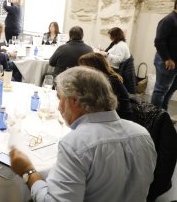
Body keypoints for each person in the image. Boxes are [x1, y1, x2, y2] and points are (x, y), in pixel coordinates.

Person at [10, 66, 157, 202]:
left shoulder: (75, 144)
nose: (58, 106)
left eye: (60, 98)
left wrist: (28, 172)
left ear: (74, 101)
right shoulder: (143, 134)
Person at [78, 52, 132, 119]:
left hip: (119, 118)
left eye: (83, 68)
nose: (80, 71)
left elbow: (99, 106)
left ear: (93, 68)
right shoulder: (100, 80)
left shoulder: (110, 82)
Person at [151, 0, 177, 111]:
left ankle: (163, 115)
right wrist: (167, 59)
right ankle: (153, 118)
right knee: (160, 90)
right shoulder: (169, 20)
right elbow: (159, 41)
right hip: (166, 61)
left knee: (171, 89)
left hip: (175, 63)